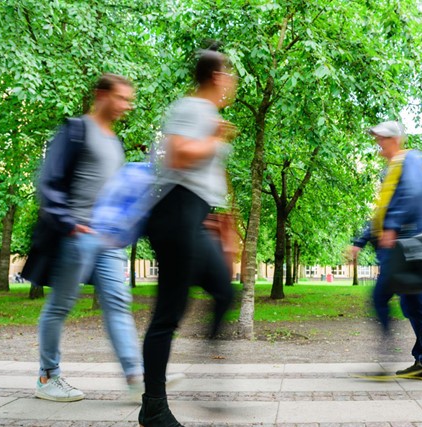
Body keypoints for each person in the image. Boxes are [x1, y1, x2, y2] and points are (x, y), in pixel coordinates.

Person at [138, 48, 238, 427]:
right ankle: (154, 406)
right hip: (176, 215)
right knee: (168, 315)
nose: (231, 81)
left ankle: (212, 380)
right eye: (228, 74)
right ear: (216, 76)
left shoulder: (210, 115)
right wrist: (214, 140)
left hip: (196, 217)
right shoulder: (190, 108)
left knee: (225, 292)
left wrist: (222, 222)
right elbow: (178, 157)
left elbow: (206, 178)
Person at [33, 74, 143, 402]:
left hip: (108, 240)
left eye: (129, 99)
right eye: (121, 98)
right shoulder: (76, 130)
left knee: (118, 305)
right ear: (101, 95)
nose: (127, 105)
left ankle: (136, 377)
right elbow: (49, 181)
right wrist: (68, 223)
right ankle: (47, 376)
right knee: (59, 306)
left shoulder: (115, 142)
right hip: (76, 235)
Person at [352, 121, 422, 381]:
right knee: (414, 305)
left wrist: (391, 226)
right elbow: (381, 212)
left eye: (382, 138)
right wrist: (360, 240)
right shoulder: (390, 170)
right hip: (400, 246)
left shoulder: (408, 161)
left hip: (403, 246)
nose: (378, 143)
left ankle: (389, 357)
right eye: (377, 138)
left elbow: (413, 195)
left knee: (380, 298)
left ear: (395, 139)